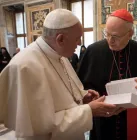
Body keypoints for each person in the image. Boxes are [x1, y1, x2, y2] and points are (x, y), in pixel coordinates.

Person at [0, 9, 122, 140]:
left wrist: (82, 97)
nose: (80, 43)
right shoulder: (24, 67)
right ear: (61, 39)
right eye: (77, 38)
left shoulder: (60, 54)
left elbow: (62, 98)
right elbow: (39, 127)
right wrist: (88, 111)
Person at [78, 9, 137, 140]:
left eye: (116, 36)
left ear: (130, 33)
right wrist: (89, 95)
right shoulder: (93, 50)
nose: (110, 41)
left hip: (131, 115)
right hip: (102, 115)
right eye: (107, 34)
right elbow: (82, 83)